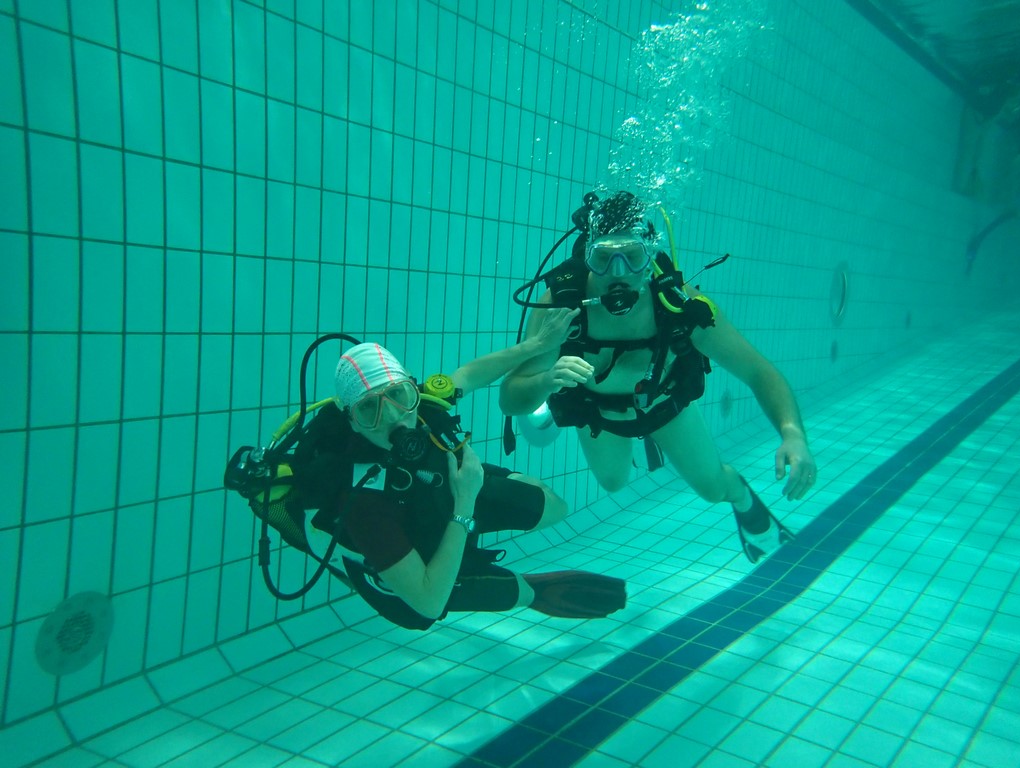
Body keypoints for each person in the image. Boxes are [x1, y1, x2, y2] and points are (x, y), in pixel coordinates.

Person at [500, 191, 817, 563]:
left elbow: (757, 370)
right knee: (613, 482)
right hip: (598, 412)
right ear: (587, 257)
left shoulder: (679, 304)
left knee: (713, 489)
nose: (618, 273)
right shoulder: (560, 308)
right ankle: (643, 443)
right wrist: (547, 379)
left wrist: (793, 435)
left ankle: (744, 499)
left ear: (649, 257)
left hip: (665, 405)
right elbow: (510, 398)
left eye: (632, 256)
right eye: (603, 258)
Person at [304, 340, 626, 630]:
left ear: (413, 388)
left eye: (398, 395)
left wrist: (538, 344)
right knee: (509, 592)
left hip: (447, 492)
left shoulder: (422, 406)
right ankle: (530, 592)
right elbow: (428, 603)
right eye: (368, 408)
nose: (391, 416)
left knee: (556, 507)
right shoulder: (362, 502)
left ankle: (470, 525)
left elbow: (471, 374)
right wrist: (466, 501)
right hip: (419, 574)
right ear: (352, 422)